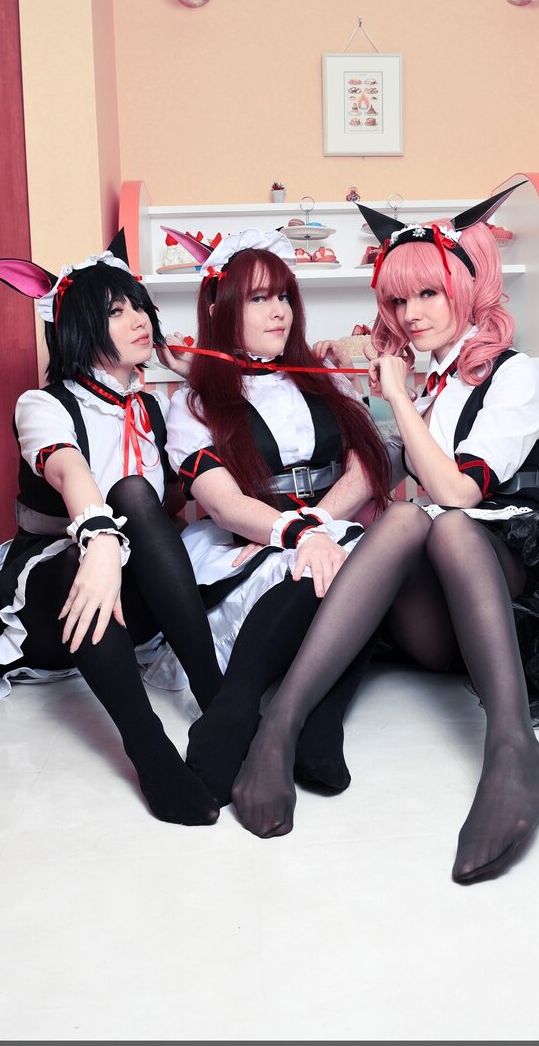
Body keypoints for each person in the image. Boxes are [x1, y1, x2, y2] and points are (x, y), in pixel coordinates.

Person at [228, 185, 539, 881]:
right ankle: (279, 726)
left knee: (449, 524)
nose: (411, 314)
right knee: (404, 517)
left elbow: (459, 493)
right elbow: (377, 474)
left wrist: (397, 396)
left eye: (428, 294)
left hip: (518, 603)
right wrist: (300, 529)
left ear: (466, 287)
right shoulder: (430, 385)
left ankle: (514, 752)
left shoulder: (515, 378)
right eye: (399, 300)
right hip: (446, 629)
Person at [0, 233, 224, 826]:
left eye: (140, 306)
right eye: (116, 311)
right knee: (109, 515)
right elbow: (70, 471)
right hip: (58, 602)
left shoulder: (150, 408)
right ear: (78, 328)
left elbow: (177, 496)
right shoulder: (42, 405)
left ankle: (220, 706)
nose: (140, 319)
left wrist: (186, 368)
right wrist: (99, 544)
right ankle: (149, 749)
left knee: (136, 494)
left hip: (133, 607)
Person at [156, 228, 391, 807]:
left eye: (284, 296)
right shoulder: (194, 402)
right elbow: (223, 502)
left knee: (359, 564)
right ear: (221, 309)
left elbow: (368, 467)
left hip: (327, 526)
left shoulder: (325, 379)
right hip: (249, 539)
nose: (279, 311)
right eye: (259, 298)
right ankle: (244, 710)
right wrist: (294, 534)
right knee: (322, 571)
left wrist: (316, 528)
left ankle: (313, 716)